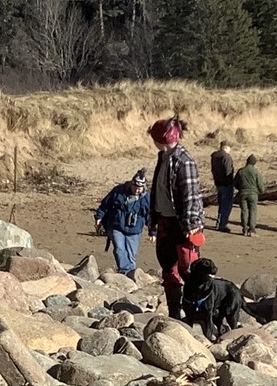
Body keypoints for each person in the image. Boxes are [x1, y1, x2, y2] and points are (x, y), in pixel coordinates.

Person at [147, 117, 206, 318]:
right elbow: (157, 192)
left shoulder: (184, 160)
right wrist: (153, 224)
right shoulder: (163, 158)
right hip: (165, 220)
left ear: (161, 138)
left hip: (183, 224)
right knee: (168, 267)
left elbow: (190, 194)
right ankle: (174, 312)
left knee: (188, 269)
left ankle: (193, 311)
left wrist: (191, 224)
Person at [93, 169, 151, 277]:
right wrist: (99, 216)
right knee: (119, 249)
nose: (137, 191)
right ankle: (124, 271)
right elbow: (105, 204)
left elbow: (150, 215)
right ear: (132, 184)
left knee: (131, 254)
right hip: (116, 226)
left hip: (135, 230)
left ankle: (131, 273)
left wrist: (153, 232)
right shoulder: (118, 191)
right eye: (135, 188)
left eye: (140, 189)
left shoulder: (146, 198)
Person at [209, 140, 237, 233]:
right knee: (226, 205)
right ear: (226, 147)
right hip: (226, 184)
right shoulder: (226, 157)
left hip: (218, 183)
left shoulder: (214, 156)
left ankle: (218, 222)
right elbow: (228, 172)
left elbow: (213, 170)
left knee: (221, 204)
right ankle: (222, 224)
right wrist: (231, 183)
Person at [235, 153, 263, 235]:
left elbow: (235, 182)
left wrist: (240, 189)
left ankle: (245, 228)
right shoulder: (256, 172)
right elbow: (260, 184)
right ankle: (252, 229)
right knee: (253, 211)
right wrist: (261, 190)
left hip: (243, 193)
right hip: (253, 194)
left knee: (244, 211)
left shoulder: (241, 171)